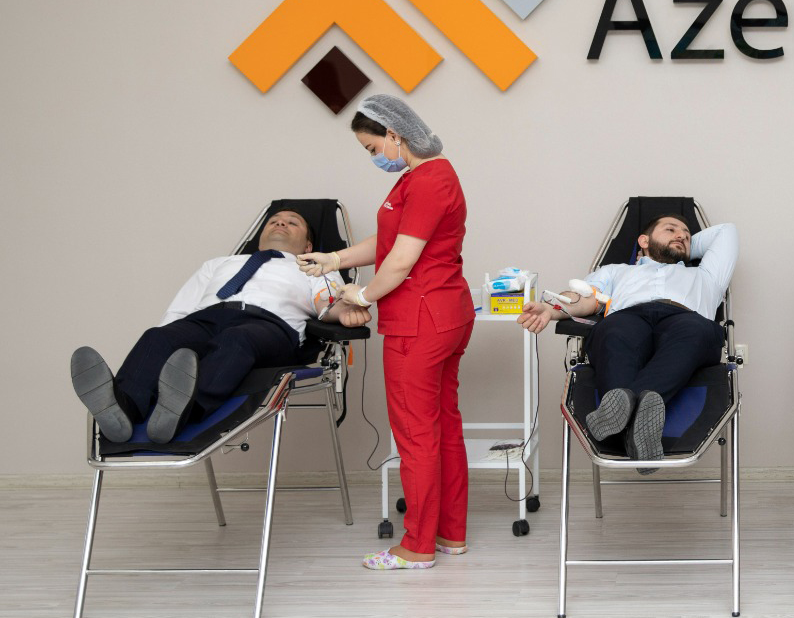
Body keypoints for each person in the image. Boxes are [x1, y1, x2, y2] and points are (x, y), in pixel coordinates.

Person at [297, 95, 474, 572]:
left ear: (395, 135)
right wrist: (335, 259)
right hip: (445, 314)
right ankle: (449, 534)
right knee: (442, 425)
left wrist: (362, 295)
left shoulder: (429, 179)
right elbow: (392, 239)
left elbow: (400, 260)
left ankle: (416, 547)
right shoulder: (423, 177)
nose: (374, 157)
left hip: (419, 321)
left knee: (416, 434)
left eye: (373, 148)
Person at [70, 210, 369, 445]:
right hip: (206, 319)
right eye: (274, 221)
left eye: (292, 222)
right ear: (261, 237)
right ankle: (122, 410)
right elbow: (181, 308)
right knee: (158, 337)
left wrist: (345, 312)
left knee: (237, 341)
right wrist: (165, 344)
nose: (280, 223)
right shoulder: (218, 264)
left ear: (308, 245)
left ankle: (182, 412)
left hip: (269, 326)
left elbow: (327, 303)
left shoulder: (316, 266)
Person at [517, 215, 737, 470]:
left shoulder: (707, 274)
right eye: (671, 229)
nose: (682, 236)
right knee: (613, 330)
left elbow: (727, 232)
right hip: (629, 317)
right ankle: (638, 435)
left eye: (687, 235)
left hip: (687, 321)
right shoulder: (616, 271)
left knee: (694, 330)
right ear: (643, 240)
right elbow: (584, 298)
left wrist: (682, 247)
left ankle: (617, 419)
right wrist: (551, 308)